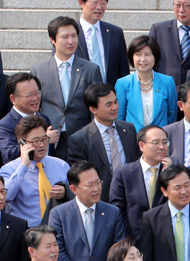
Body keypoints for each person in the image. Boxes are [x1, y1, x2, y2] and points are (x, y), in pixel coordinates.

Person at [49, 160, 127, 261]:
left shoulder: (113, 212)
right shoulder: (59, 214)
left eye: (98, 182)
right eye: (89, 185)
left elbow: (119, 250)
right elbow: (58, 251)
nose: (96, 189)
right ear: (74, 189)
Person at [30, 16, 103, 146]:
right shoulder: (38, 70)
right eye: (65, 37)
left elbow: (97, 106)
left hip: (82, 138)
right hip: (51, 139)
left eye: (74, 36)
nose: (71, 41)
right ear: (53, 40)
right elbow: (34, 107)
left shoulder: (91, 69)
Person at [68, 84, 139, 201]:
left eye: (115, 102)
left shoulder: (129, 129)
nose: (114, 108)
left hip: (131, 195)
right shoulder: (80, 139)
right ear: (93, 109)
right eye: (108, 104)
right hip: (102, 198)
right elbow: (79, 176)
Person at [0, 115, 71, 227]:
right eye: (35, 141)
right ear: (22, 143)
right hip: (27, 231)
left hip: (58, 229)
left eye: (44, 139)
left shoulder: (61, 165)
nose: (41, 145)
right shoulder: (9, 169)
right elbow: (6, 197)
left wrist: (65, 191)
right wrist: (24, 165)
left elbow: (76, 194)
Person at [109, 124, 169, 239]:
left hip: (166, 240)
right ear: (141, 146)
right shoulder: (123, 174)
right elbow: (118, 211)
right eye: (155, 142)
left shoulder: (173, 172)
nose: (162, 147)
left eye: (165, 142)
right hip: (134, 240)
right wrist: (127, 241)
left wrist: (169, 175)